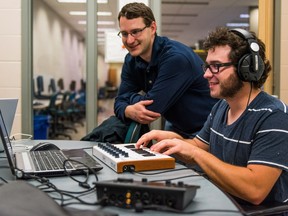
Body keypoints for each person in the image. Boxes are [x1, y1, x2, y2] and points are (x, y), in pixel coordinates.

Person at [136, 27, 288, 208]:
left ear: (246, 68)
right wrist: (172, 140)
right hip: (221, 202)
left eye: (216, 66)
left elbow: (255, 190)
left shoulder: (274, 117)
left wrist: (195, 153)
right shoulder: (222, 107)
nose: (206, 74)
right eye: (207, 66)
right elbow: (199, 146)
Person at [114, 2, 218, 138]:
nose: (130, 40)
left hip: (204, 130)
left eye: (135, 32)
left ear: (152, 28)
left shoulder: (175, 58)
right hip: (175, 125)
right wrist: (128, 110)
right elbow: (119, 101)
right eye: (124, 34)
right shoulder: (131, 60)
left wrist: (129, 100)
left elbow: (151, 109)